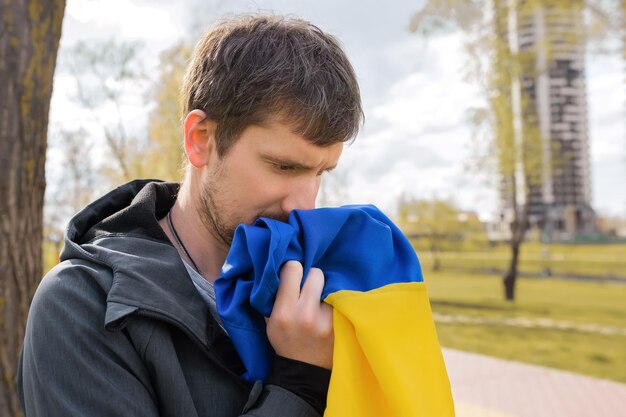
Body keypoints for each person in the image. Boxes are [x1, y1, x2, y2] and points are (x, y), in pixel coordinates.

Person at [18, 14, 363, 417]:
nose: (304, 205)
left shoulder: (316, 288)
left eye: (320, 172)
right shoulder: (82, 306)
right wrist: (301, 386)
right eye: (284, 167)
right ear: (200, 140)